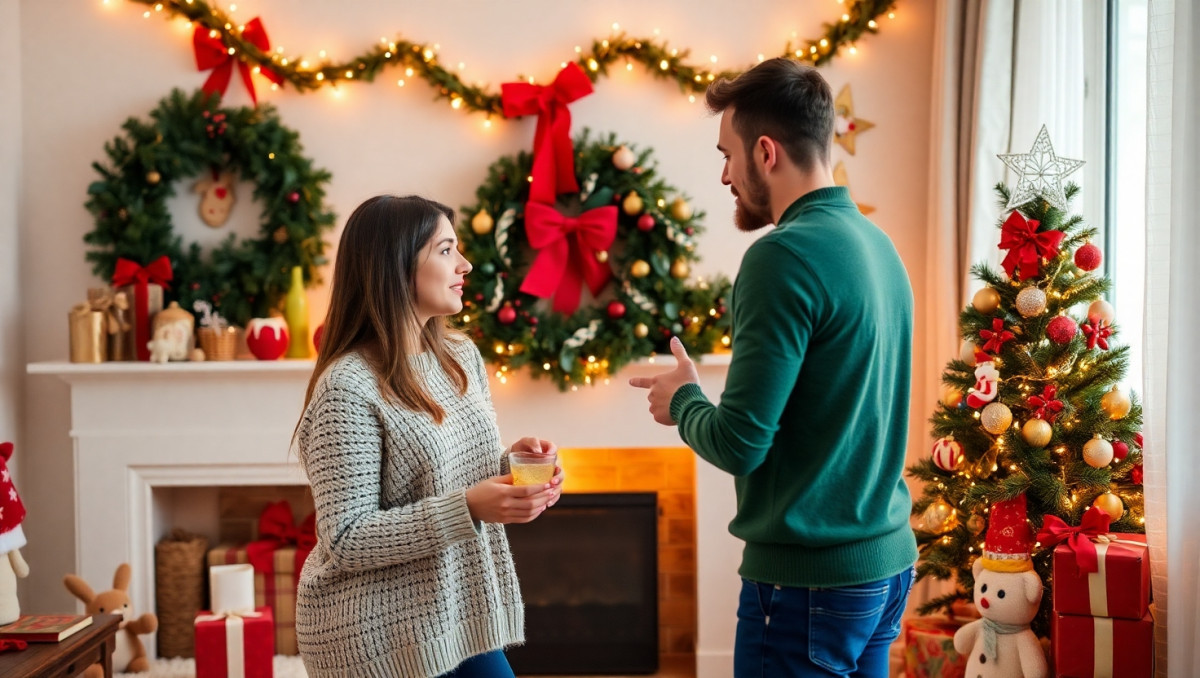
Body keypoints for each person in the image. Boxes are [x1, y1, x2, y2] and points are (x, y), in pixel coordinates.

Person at [630, 58, 917, 677]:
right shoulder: (877, 244)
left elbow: (740, 443)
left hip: (809, 586)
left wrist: (682, 402)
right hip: (885, 567)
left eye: (727, 154)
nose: (725, 175)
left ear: (765, 152)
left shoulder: (781, 257)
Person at [293, 195, 563, 677]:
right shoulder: (347, 386)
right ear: (395, 266)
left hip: (456, 609)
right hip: (375, 635)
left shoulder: (460, 357)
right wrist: (471, 507)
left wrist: (510, 467)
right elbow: (347, 537)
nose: (465, 264)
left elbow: (447, 474)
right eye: (445, 250)